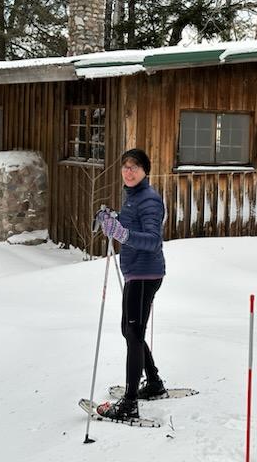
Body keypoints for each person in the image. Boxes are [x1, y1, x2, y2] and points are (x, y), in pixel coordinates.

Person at [95, 148, 167, 421]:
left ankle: (130, 402)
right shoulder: (133, 197)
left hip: (145, 274)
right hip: (135, 272)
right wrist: (109, 221)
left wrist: (122, 233)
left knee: (134, 334)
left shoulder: (149, 200)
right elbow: (125, 225)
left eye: (134, 167)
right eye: (125, 166)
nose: (128, 171)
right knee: (130, 331)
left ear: (145, 171)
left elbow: (152, 240)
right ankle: (155, 382)